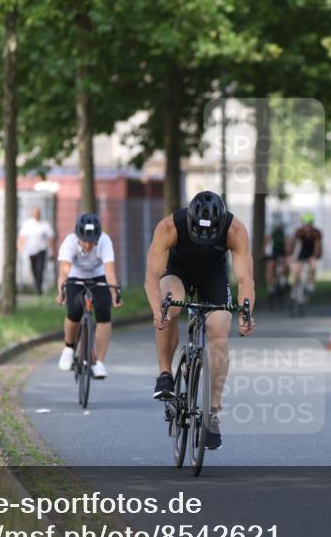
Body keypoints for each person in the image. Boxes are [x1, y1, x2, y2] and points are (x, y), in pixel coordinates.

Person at [144, 191, 256, 450]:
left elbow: (245, 279)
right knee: (169, 307)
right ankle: (164, 373)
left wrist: (247, 313)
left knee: (219, 330)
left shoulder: (235, 230)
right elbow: (152, 276)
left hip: (213, 276)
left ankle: (212, 412)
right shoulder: (170, 226)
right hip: (177, 271)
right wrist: (155, 310)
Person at [55, 213, 121, 379]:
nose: (88, 245)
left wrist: (114, 293)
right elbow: (64, 271)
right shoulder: (69, 242)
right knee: (74, 310)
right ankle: (68, 349)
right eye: (84, 241)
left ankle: (99, 363)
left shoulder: (105, 241)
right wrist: (61, 291)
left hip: (98, 277)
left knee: (104, 313)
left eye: (92, 241)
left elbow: (110, 271)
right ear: (78, 237)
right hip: (75, 277)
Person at [17, 207, 55, 295]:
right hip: (31, 251)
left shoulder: (45, 225)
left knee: (40, 269)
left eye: (38, 213)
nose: (37, 215)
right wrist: (20, 247)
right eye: (35, 213)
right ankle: (37, 286)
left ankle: (39, 289)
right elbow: (22, 237)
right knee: (34, 270)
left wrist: (52, 249)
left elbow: (51, 237)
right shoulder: (27, 224)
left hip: (41, 250)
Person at [289, 213, 322, 294]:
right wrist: (292, 256)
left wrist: (314, 256)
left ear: (312, 224)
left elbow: (317, 246)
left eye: (309, 225)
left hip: (313, 251)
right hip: (303, 252)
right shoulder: (299, 231)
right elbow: (295, 244)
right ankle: (295, 288)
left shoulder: (316, 233)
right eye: (305, 225)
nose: (307, 227)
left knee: (313, 265)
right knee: (297, 270)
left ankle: (311, 283)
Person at [265, 212, 288, 294]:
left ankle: (283, 279)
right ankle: (270, 285)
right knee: (270, 267)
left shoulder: (284, 229)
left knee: (285, 263)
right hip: (273, 252)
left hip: (281, 251)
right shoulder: (270, 229)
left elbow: (287, 241)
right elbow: (267, 240)